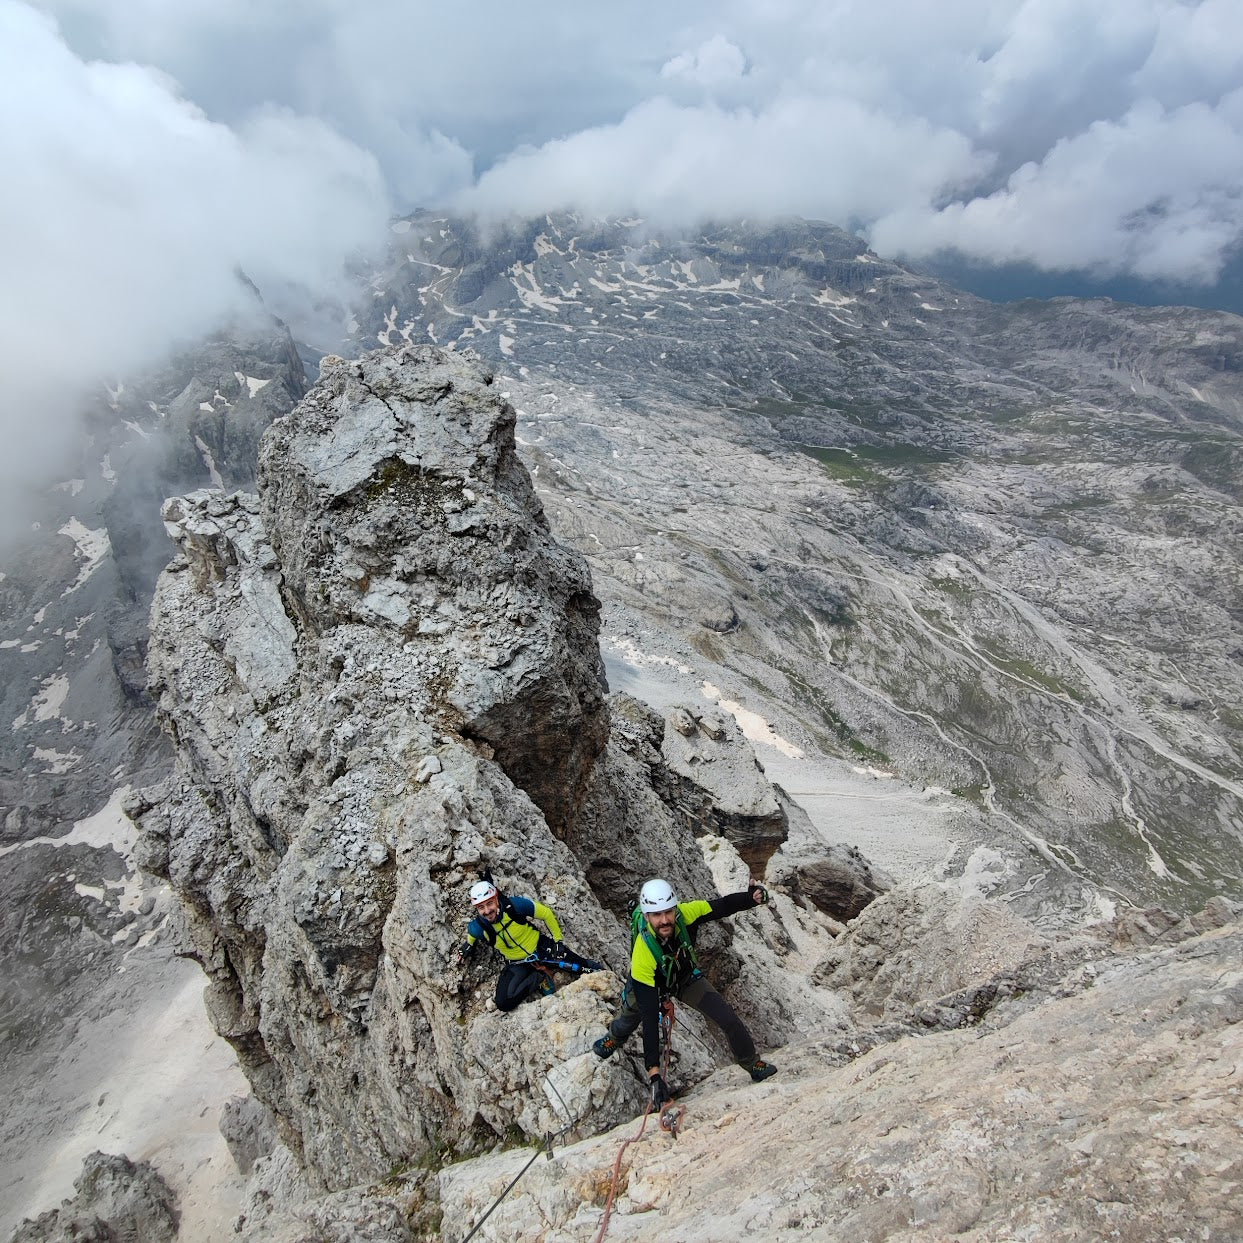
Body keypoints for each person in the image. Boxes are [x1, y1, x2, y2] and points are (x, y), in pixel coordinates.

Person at [592, 877, 777, 1106]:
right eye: (657, 915)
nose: (664, 920)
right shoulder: (643, 953)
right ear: (647, 916)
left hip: (684, 978)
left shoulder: (686, 914)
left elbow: (722, 906)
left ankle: (753, 1064)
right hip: (649, 982)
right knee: (629, 1017)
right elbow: (650, 1022)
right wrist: (655, 1076)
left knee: (728, 1019)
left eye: (668, 912)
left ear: (675, 909)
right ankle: (613, 1038)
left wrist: (751, 898)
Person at [458, 878, 602, 1012]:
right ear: (477, 909)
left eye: (489, 903)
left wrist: (558, 941)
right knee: (503, 1003)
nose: (487, 911)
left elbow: (546, 913)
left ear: (496, 899)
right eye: (481, 907)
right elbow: (471, 936)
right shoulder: (478, 928)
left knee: (583, 966)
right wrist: (468, 946)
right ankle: (538, 977)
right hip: (517, 963)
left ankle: (606, 975)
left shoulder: (514, 906)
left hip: (541, 948)